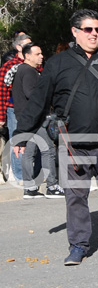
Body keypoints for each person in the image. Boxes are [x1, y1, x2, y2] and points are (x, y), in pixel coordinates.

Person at [13, 9, 98, 266]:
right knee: (75, 195)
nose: (94, 34)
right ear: (75, 32)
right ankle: (78, 244)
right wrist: (22, 135)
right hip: (72, 142)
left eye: (97, 29)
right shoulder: (57, 63)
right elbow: (39, 101)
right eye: (88, 29)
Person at [12, 43, 64, 198]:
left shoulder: (23, 70)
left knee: (29, 152)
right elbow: (31, 93)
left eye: (41, 53)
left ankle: (30, 188)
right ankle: (52, 186)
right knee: (48, 150)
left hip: (26, 116)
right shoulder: (28, 71)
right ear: (27, 55)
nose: (41, 56)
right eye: (37, 54)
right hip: (33, 117)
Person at [1, 32, 32, 184]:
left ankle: (33, 173)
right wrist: (1, 116)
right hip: (14, 109)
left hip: (33, 109)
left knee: (34, 141)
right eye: (27, 44)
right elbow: (2, 93)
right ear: (19, 47)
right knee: (17, 141)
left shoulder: (35, 63)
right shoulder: (9, 66)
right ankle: (20, 176)